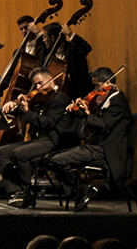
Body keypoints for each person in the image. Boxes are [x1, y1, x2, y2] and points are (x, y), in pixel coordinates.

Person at [39, 67, 132, 211]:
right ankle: (80, 190)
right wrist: (77, 110)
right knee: (49, 158)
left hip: (105, 149)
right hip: (93, 146)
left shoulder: (117, 102)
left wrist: (88, 113)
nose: (94, 90)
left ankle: (81, 189)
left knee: (58, 160)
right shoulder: (103, 99)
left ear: (108, 83)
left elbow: (104, 125)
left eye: (97, 85)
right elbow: (90, 121)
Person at [0, 69, 79, 207]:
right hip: (40, 140)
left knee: (20, 153)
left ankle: (27, 192)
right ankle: (16, 191)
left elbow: (46, 123)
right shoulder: (43, 97)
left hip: (53, 140)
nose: (37, 88)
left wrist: (26, 110)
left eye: (40, 83)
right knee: (1, 152)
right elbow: (33, 109)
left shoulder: (60, 99)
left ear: (50, 79)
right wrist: (14, 104)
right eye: (35, 84)